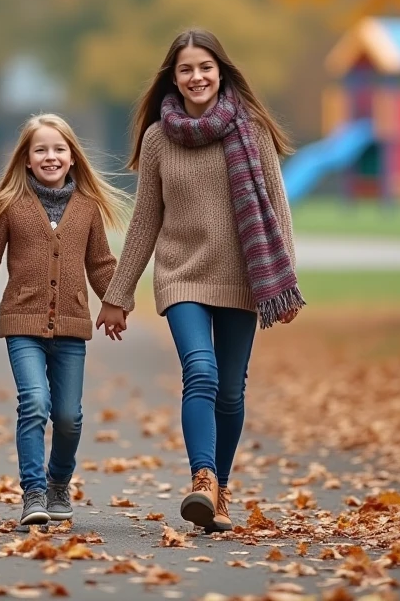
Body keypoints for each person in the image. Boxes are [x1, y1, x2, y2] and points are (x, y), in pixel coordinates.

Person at [96, 29, 304, 533]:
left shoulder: (251, 131)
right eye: (186, 69)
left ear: (221, 72)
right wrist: (118, 295)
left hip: (242, 276)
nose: (197, 77)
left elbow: (277, 209)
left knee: (231, 391)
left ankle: (219, 492)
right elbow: (145, 221)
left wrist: (284, 283)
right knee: (201, 371)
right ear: (173, 78)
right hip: (182, 276)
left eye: (205, 67)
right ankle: (202, 478)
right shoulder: (157, 139)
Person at [0, 114, 127, 527]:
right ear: (27, 160)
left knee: (68, 417)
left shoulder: (86, 207)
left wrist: (117, 300)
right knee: (33, 403)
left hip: (71, 327)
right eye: (41, 150)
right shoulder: (9, 205)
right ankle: (33, 492)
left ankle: (57, 483)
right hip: (22, 325)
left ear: (72, 157)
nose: (51, 156)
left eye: (59, 149)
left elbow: (101, 264)